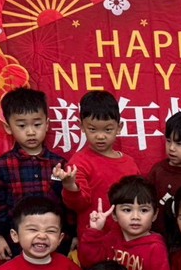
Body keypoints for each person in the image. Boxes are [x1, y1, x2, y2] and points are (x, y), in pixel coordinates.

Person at [0, 87, 67, 261]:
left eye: (37, 124)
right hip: (17, 242)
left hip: (55, 241)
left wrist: (72, 234)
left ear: (47, 124)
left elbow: (67, 203)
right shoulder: (1, 165)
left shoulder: (58, 164)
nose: (31, 132)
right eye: (22, 125)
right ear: (8, 127)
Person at [54, 90, 145, 233]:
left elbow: (141, 199)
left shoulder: (129, 163)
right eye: (93, 129)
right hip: (94, 238)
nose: (100, 136)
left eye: (108, 130)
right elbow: (78, 204)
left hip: (128, 238)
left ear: (119, 128)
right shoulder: (79, 162)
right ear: (81, 126)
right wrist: (70, 185)